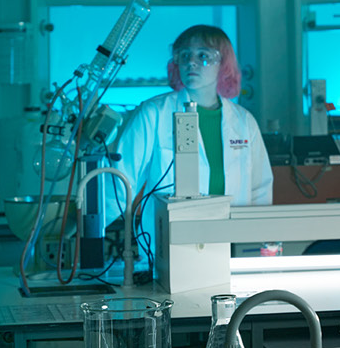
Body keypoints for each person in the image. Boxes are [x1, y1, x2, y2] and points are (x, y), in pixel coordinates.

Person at [116, 25, 273, 210]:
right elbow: (120, 181)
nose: (191, 62)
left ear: (223, 63)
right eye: (184, 55)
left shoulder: (244, 121)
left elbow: (259, 190)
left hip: (232, 233)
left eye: (203, 56)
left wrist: (254, 236)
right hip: (169, 234)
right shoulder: (154, 113)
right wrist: (85, 226)